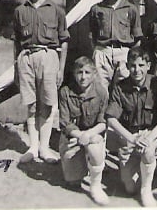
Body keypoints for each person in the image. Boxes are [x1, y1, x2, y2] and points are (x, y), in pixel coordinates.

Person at [13, 0, 70, 164]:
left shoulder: (57, 11)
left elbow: (64, 40)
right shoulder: (21, 10)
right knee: (30, 104)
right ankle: (33, 147)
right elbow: (16, 41)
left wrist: (61, 68)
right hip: (27, 57)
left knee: (46, 103)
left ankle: (45, 148)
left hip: (48, 57)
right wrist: (15, 68)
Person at [105, 46, 157, 207]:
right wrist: (131, 138)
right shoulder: (120, 86)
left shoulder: (156, 85)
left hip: (149, 134)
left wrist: (150, 137)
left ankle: (146, 189)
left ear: (148, 65)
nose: (136, 70)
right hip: (128, 136)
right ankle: (145, 166)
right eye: (132, 65)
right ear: (127, 66)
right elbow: (111, 118)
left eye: (141, 65)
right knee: (130, 188)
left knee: (148, 151)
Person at [58, 56, 110, 205]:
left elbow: (103, 122)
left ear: (94, 74)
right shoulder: (65, 92)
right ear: (74, 74)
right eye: (79, 72)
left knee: (94, 147)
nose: (83, 77)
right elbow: (65, 123)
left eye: (87, 72)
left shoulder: (101, 92)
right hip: (73, 138)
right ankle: (84, 165)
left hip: (93, 135)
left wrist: (87, 135)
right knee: (72, 181)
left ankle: (95, 186)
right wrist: (80, 135)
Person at [89, 0, 143, 92]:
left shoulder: (131, 9)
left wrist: (130, 57)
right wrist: (98, 51)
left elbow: (137, 37)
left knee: (124, 90)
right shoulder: (96, 9)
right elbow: (92, 35)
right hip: (103, 52)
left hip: (123, 53)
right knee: (101, 90)